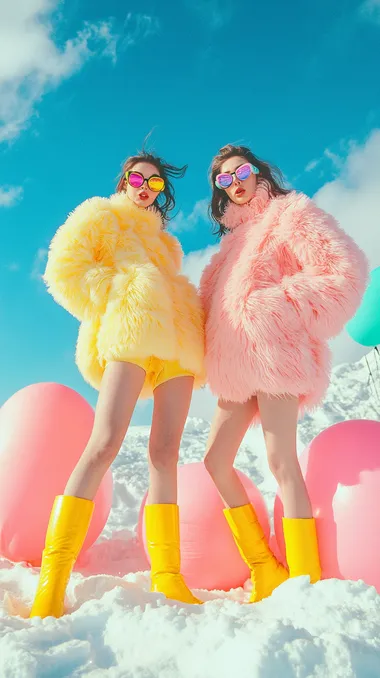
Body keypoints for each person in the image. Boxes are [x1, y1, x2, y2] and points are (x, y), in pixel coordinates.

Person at [30, 149, 205, 618]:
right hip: (130, 331)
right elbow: (64, 270)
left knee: (165, 452)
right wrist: (121, 292)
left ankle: (169, 576)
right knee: (104, 443)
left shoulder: (168, 245)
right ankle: (53, 579)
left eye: (155, 183)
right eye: (137, 178)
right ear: (124, 179)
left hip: (178, 343)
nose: (145, 186)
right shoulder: (100, 215)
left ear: (162, 192)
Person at [199, 144, 368, 603]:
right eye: (224, 179)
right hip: (235, 366)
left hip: (277, 354)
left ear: (259, 172)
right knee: (215, 460)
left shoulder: (291, 213)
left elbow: (343, 269)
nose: (235, 182)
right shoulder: (230, 243)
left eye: (242, 171)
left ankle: (305, 579)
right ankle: (267, 568)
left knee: (281, 464)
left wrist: (279, 305)